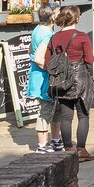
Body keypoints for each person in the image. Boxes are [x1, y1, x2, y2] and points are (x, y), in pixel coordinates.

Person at [42, 7, 94, 162]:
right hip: (80, 78)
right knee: (83, 115)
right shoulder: (82, 36)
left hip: (61, 81)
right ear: (77, 19)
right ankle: (81, 150)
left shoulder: (54, 38)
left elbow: (47, 62)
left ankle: (68, 149)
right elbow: (90, 60)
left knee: (66, 117)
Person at [27, 9, 58, 152]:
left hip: (37, 74)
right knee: (46, 109)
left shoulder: (37, 29)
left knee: (54, 108)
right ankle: (42, 145)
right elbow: (38, 58)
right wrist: (53, 70)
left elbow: (30, 51)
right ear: (52, 17)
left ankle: (56, 140)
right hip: (43, 76)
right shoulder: (47, 35)